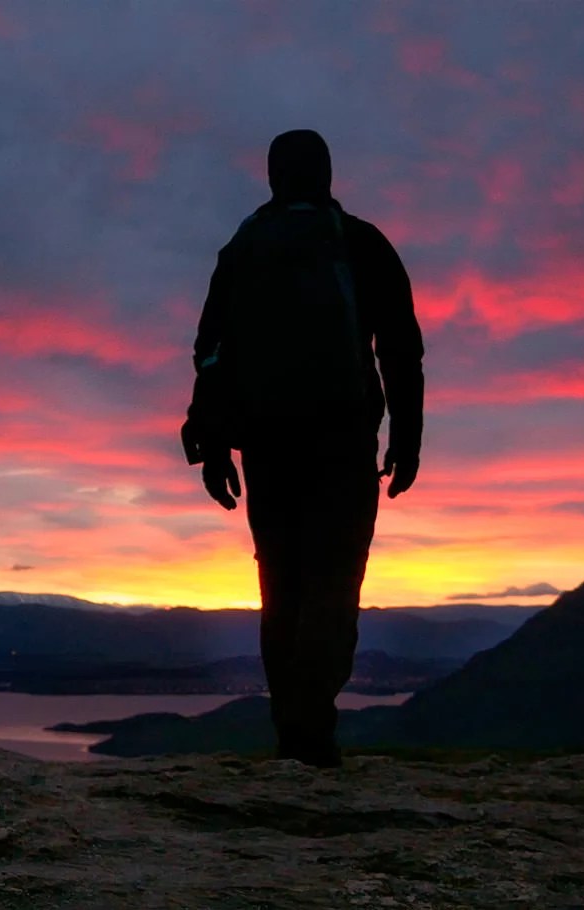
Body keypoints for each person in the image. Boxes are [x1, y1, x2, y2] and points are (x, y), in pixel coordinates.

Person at [180, 129, 424, 768]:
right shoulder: (360, 242)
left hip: (266, 442)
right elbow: (399, 347)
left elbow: (210, 353)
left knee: (280, 584)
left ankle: (295, 731)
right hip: (343, 438)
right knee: (333, 582)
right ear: (327, 174)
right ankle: (311, 732)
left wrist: (212, 445)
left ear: (271, 177)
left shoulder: (242, 250)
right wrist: (408, 433)